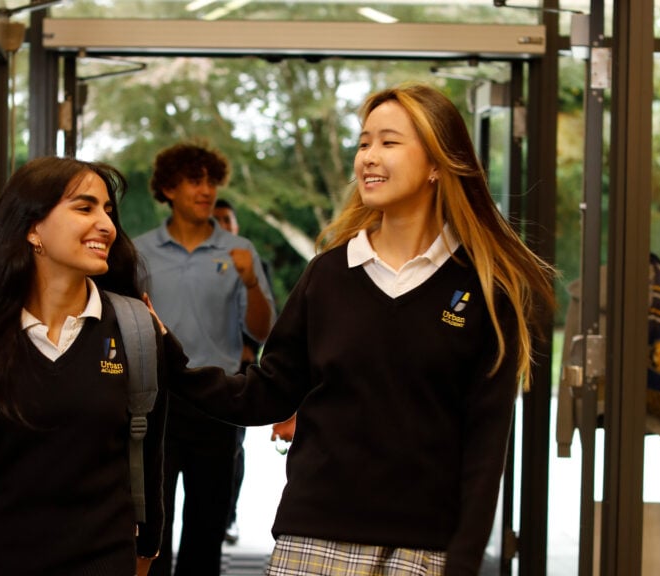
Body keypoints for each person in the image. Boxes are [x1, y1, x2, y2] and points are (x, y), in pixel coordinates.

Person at [156, 83, 556, 576]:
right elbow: (268, 393)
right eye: (364, 142)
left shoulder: (485, 289)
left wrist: (465, 558)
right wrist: (171, 362)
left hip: (423, 550)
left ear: (437, 163)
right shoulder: (326, 275)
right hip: (313, 539)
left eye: (389, 142)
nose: (368, 156)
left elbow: (486, 441)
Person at [0, 156, 167, 576]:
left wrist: (147, 548)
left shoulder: (134, 329)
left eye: (108, 211)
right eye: (85, 207)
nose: (107, 225)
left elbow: (147, 453)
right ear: (33, 228)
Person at [134, 141, 275, 576]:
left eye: (212, 181)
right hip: (156, 403)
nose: (207, 189)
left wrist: (251, 282)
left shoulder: (239, 250)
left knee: (207, 527)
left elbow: (264, 331)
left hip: (218, 403)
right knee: (150, 530)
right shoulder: (140, 252)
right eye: (196, 180)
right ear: (169, 189)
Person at [212, 198, 274, 545]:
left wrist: (248, 344)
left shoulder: (254, 263)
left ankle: (228, 517)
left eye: (227, 219)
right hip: (192, 373)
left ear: (236, 226)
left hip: (237, 374)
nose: (221, 225)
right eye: (215, 220)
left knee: (233, 449)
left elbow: (267, 316)